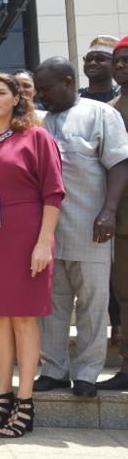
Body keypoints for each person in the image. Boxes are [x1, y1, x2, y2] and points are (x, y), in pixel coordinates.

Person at [0, 73, 64, 438]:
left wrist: (43, 242)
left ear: (17, 98)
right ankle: (2, 397)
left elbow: (53, 193)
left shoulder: (36, 137)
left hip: (27, 236)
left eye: (1, 93)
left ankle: (25, 402)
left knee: (23, 321)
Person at [33, 57, 128, 398]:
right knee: (52, 306)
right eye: (38, 90)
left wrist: (109, 211)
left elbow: (120, 164)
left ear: (69, 82)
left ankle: (87, 373)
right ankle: (54, 370)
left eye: (46, 89)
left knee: (92, 305)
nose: (41, 95)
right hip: (47, 234)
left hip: (90, 228)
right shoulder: (39, 122)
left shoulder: (100, 114)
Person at [101, 36, 128, 390]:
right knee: (125, 295)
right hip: (122, 221)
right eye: (117, 60)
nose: (120, 66)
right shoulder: (110, 109)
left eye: (127, 60)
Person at [79, 35, 119, 103]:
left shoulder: (122, 97)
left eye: (100, 59)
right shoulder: (74, 99)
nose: (92, 63)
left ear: (114, 64)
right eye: (89, 59)